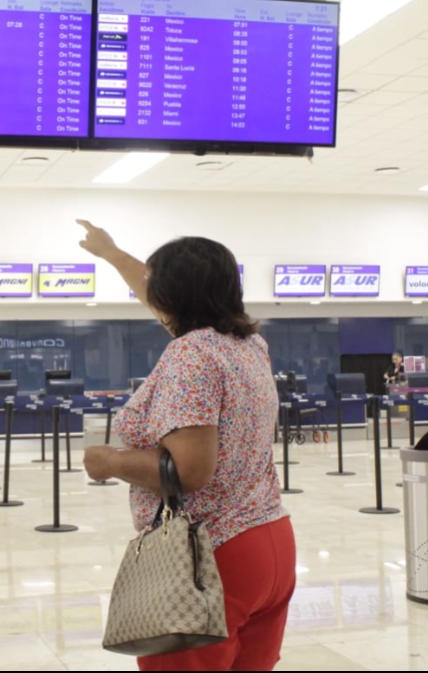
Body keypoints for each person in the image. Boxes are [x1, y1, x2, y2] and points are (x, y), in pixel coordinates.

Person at [77, 220, 295, 672]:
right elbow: (157, 297)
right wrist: (112, 253)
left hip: (209, 557)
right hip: (269, 542)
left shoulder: (190, 354)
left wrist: (110, 462)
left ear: (173, 297)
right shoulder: (249, 345)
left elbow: (192, 471)